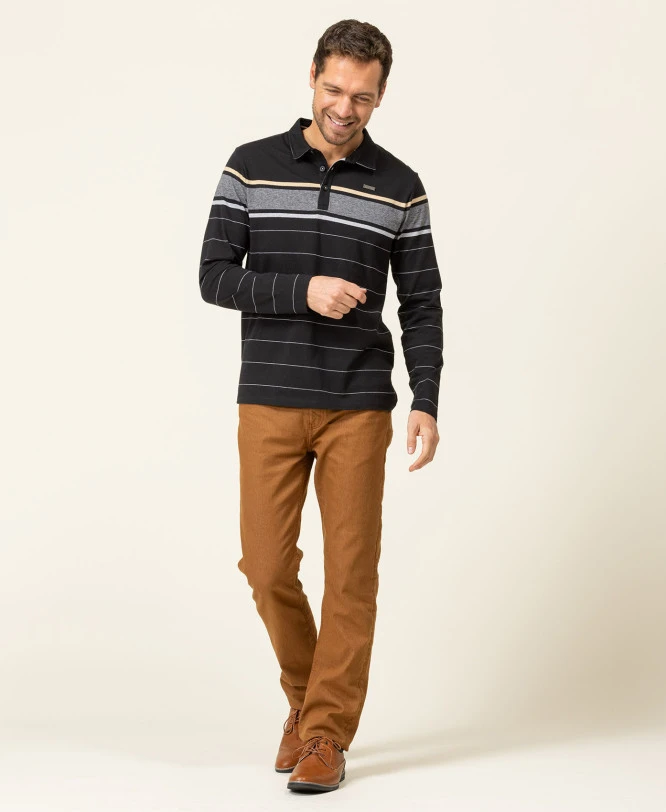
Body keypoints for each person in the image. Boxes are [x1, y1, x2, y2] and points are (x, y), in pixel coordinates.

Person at [198, 18, 443, 793]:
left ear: (381, 96)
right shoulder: (250, 166)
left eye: (362, 97)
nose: (344, 108)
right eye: (334, 89)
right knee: (265, 563)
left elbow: (423, 303)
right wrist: (302, 291)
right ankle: (306, 702)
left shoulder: (401, 185)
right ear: (312, 77)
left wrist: (427, 398)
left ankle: (326, 736)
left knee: (351, 573)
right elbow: (213, 276)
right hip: (270, 397)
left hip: (358, 404)